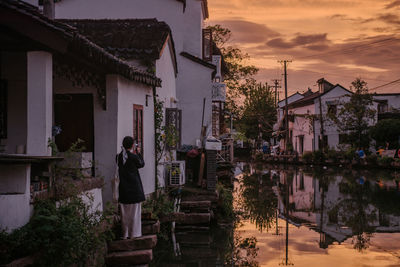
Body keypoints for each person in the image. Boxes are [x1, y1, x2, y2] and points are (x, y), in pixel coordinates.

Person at [118, 136, 145, 239]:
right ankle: (134, 234)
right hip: (134, 190)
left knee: (124, 214)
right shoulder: (133, 157)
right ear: (132, 145)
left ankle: (125, 234)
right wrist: (138, 152)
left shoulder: (118, 157)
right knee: (134, 214)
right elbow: (141, 164)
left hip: (123, 189)